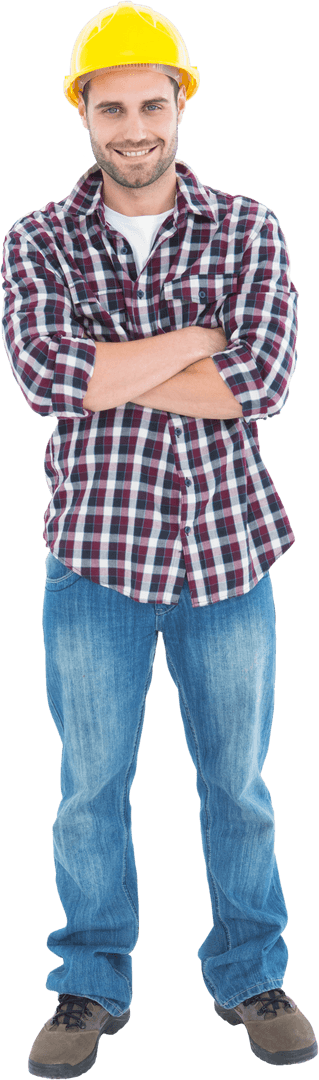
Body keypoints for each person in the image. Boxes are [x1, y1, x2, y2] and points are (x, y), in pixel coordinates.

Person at [1, 2, 317, 1076]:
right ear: (83, 115)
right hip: (92, 556)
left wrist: (117, 366)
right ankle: (87, 984)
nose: (133, 125)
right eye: (110, 106)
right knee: (90, 785)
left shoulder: (250, 227)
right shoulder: (38, 239)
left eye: (151, 103)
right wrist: (195, 337)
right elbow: (51, 378)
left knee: (238, 782)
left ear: (180, 103)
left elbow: (262, 381)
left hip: (228, 555)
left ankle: (253, 971)